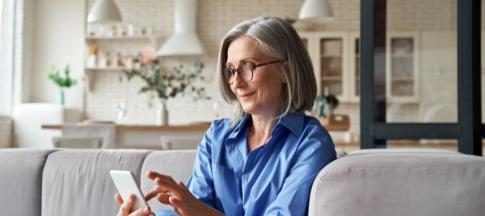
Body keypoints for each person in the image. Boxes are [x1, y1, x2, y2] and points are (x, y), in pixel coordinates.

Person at [115, 16, 337, 216]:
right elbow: (192, 209)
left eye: (248, 67)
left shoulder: (311, 144)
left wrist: (198, 212)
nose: (236, 82)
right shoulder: (216, 137)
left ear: (285, 71)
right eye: (231, 70)